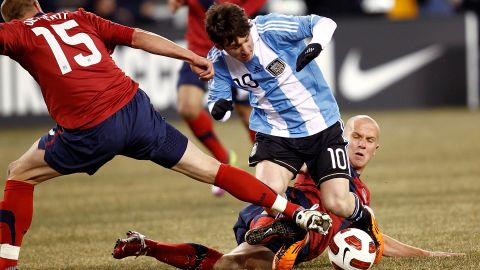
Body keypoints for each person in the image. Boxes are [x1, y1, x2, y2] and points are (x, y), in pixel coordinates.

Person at [0, 1, 332, 269]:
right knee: (210, 169)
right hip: (136, 111)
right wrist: (190, 55)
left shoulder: (15, 32)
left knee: (20, 174)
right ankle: (294, 212)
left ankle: (5, 264)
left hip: (89, 128)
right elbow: (138, 36)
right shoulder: (80, 17)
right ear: (36, 3)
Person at [111, 115, 464, 270]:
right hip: (282, 209)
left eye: (369, 141)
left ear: (376, 150)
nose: (361, 145)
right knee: (319, 220)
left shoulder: (359, 194)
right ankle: (282, 225)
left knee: (232, 266)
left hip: (283, 231)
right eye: (356, 136)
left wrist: (425, 254)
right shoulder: (323, 160)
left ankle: (146, 245)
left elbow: (374, 236)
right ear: (343, 137)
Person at [204, 2, 384, 262]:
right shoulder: (217, 60)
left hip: (321, 126)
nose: (244, 50)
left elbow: (324, 23)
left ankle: (365, 218)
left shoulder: (269, 28)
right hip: (276, 131)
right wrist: (219, 108)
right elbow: (218, 101)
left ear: (248, 29)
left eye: (245, 40)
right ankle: (293, 230)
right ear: (221, 46)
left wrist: (317, 44)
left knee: (338, 203)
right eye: (234, 46)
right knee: (266, 192)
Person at [168, 0, 266, 196]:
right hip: (198, 55)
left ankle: (268, 171)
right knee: (187, 107)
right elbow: (173, 6)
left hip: (232, 56)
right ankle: (223, 157)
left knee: (249, 117)